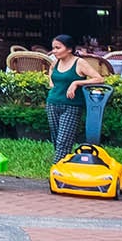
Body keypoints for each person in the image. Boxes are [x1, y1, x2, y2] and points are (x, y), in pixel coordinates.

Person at [46, 34, 102, 162]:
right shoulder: (55, 63)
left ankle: (57, 168)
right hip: (52, 103)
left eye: (58, 48)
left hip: (72, 106)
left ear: (69, 49)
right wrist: (52, 84)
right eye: (53, 48)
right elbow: (51, 72)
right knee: (56, 139)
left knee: (63, 141)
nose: (54, 51)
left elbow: (99, 79)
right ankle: (65, 164)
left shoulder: (79, 63)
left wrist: (76, 83)